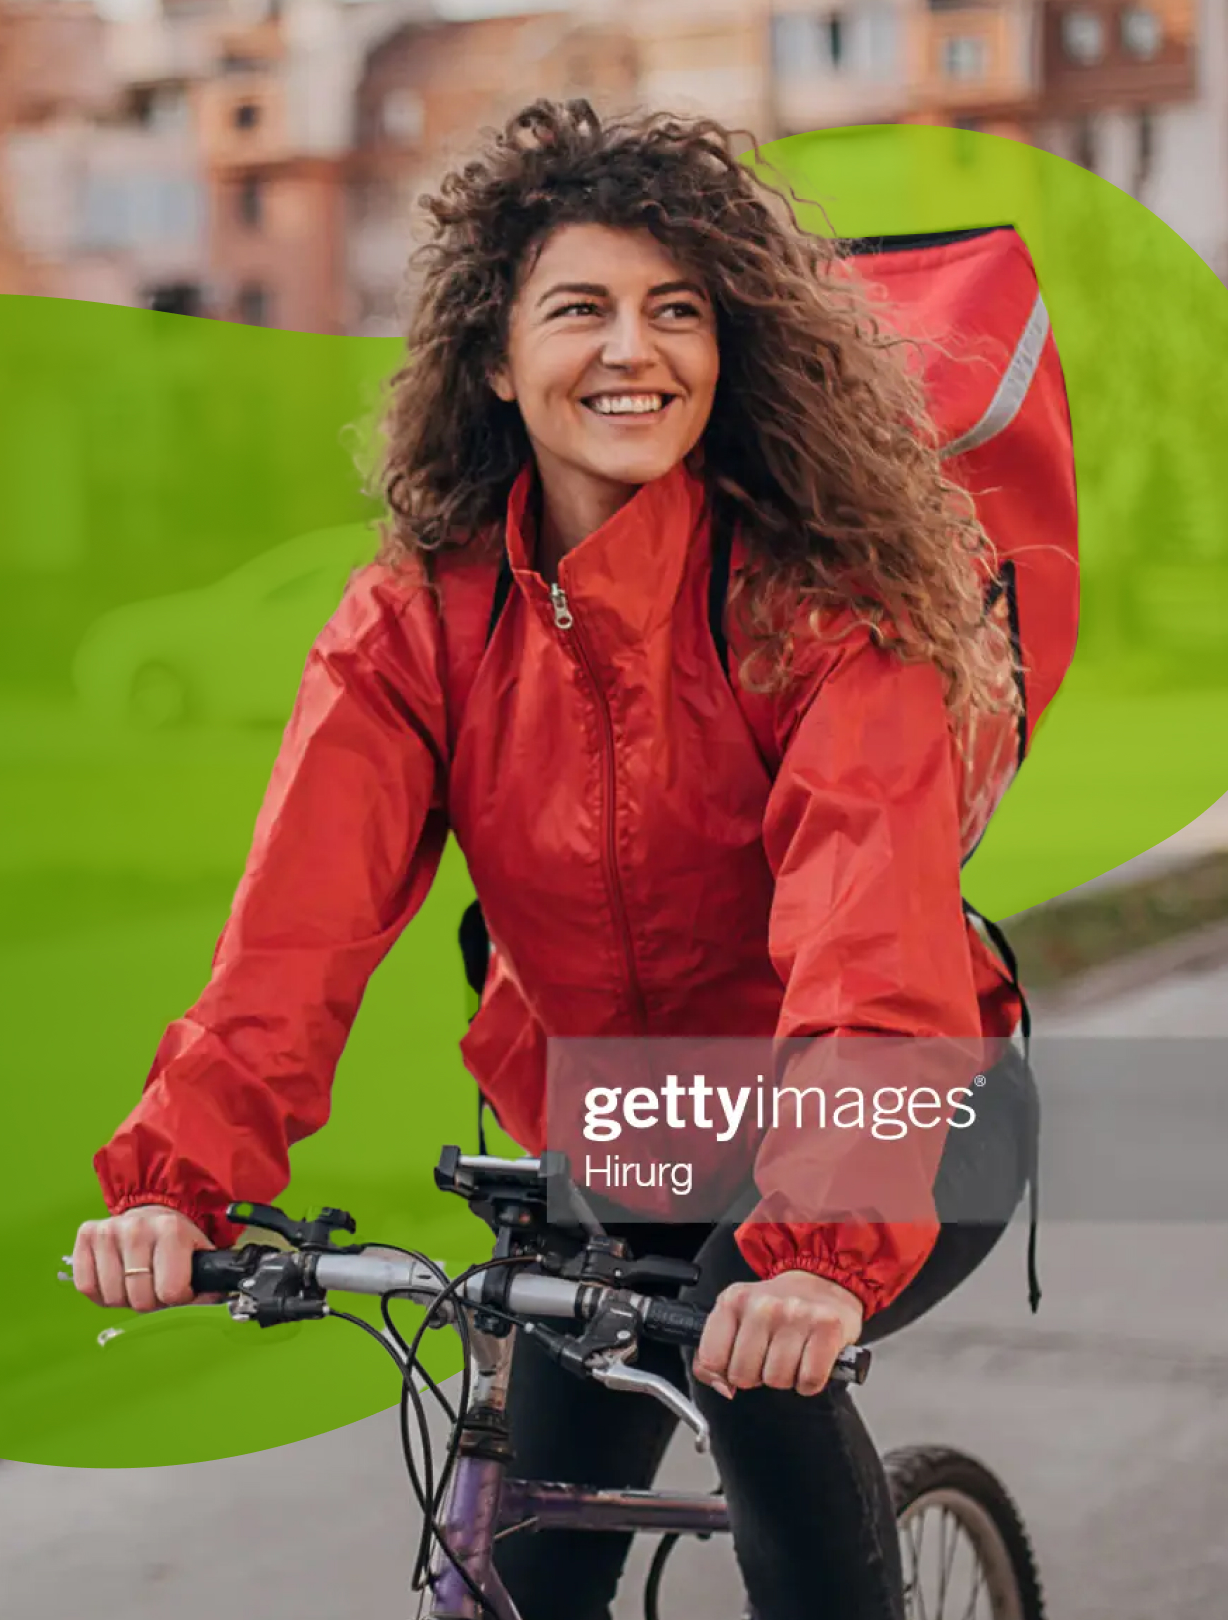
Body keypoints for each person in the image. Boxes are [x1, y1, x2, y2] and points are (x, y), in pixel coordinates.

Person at [69, 100, 1037, 1619]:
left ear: (729, 357)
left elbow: (869, 947)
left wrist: (812, 1248)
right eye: (577, 309)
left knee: (755, 1376)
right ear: (494, 358)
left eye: (676, 313)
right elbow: (291, 940)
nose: (630, 351)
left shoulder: (826, 613)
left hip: (903, 1107)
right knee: (524, 1578)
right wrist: (177, 1184)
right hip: (640, 1127)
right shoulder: (415, 625)